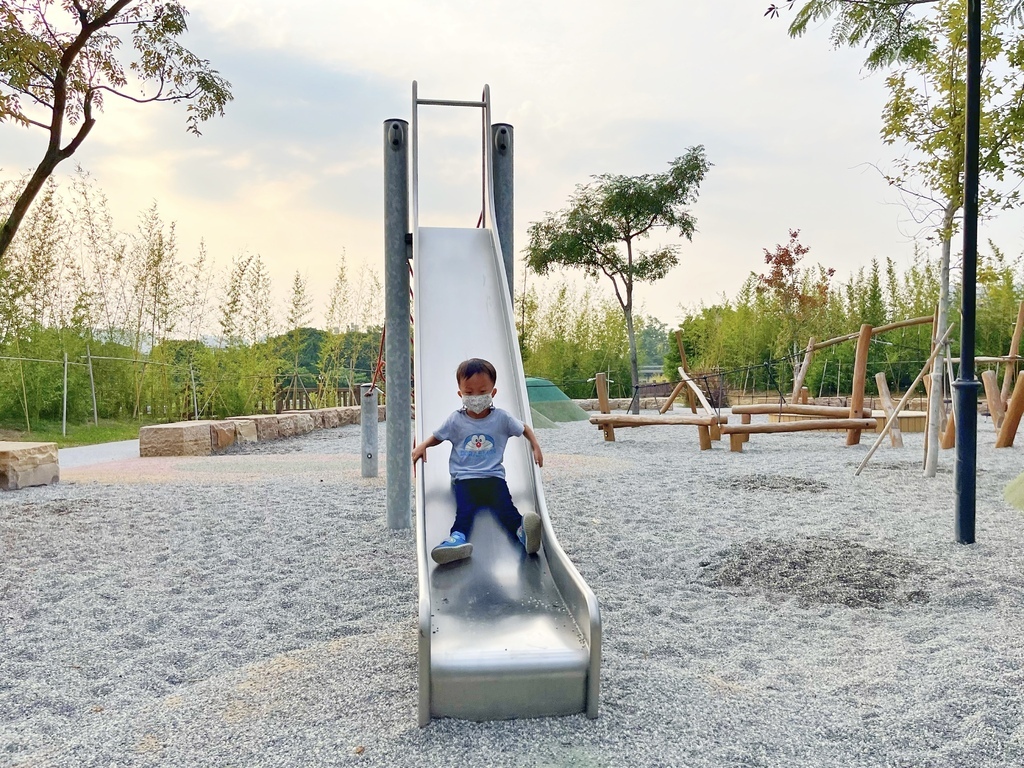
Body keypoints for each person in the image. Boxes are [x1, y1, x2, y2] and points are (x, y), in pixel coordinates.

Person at [412, 357, 544, 565]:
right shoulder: (456, 419)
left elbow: (524, 428)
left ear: (493, 392)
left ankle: (523, 532)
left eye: (482, 392)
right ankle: (456, 540)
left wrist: (535, 446)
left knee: (506, 509)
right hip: (465, 479)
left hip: (493, 478)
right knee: (465, 511)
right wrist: (423, 445)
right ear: (460, 393)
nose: (476, 397)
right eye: (469, 392)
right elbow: (439, 435)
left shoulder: (502, 418)